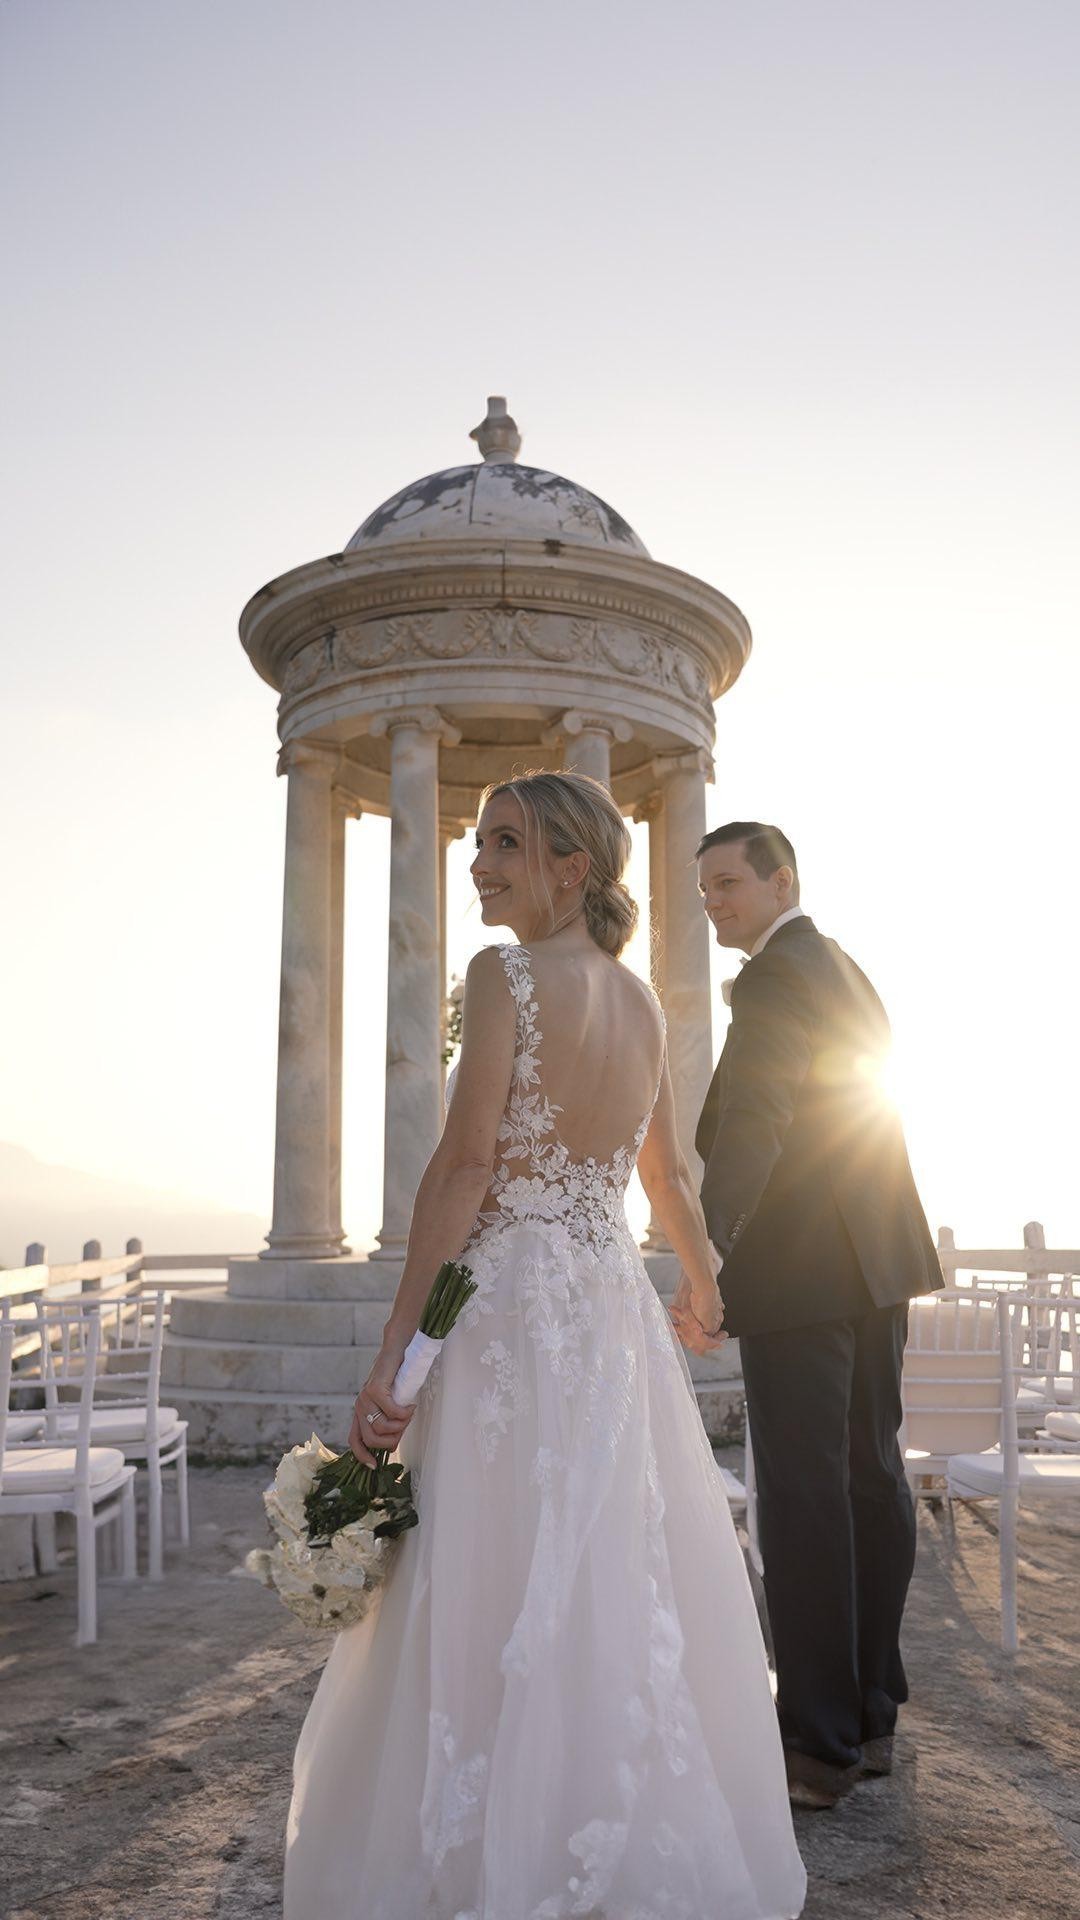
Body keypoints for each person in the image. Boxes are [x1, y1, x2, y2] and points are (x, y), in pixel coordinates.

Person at [285, 773, 806, 1920]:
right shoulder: (645, 1003)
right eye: (480, 843)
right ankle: (601, 1836)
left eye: (506, 845)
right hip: (608, 1310)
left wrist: (397, 1350)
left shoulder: (504, 975)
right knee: (606, 1561)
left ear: (571, 869)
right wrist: (703, 1279)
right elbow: (667, 1176)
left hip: (511, 1308)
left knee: (490, 1560)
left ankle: (487, 1856)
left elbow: (465, 1170)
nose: (480, 866)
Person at [673, 822, 941, 1813]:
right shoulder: (845, 968)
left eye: (730, 882)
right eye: (704, 891)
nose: (715, 902)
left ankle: (816, 1746)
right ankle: (870, 1715)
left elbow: (759, 1112)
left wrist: (715, 1249)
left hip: (804, 1270)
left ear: (783, 878)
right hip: (877, 1263)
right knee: (870, 1477)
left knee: (805, 1496)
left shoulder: (778, 975)